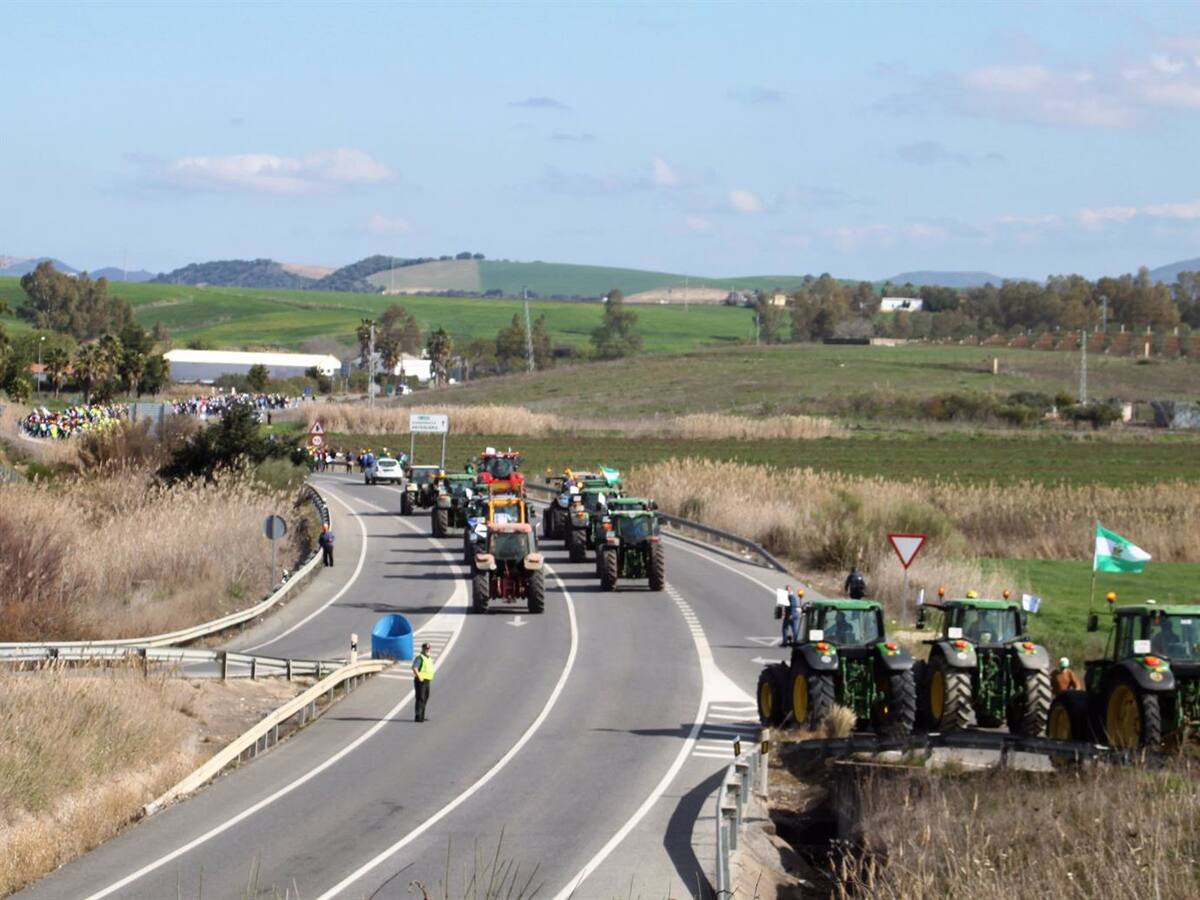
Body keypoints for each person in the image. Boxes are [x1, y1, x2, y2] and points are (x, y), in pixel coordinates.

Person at [412, 642, 435, 722]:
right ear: (422, 649)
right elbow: (415, 668)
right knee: (420, 698)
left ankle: (422, 715)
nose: (427, 650)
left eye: (428, 649)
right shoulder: (420, 658)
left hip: (427, 681)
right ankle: (418, 716)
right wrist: (419, 677)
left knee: (425, 697)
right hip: (421, 681)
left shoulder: (429, 658)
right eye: (425, 649)